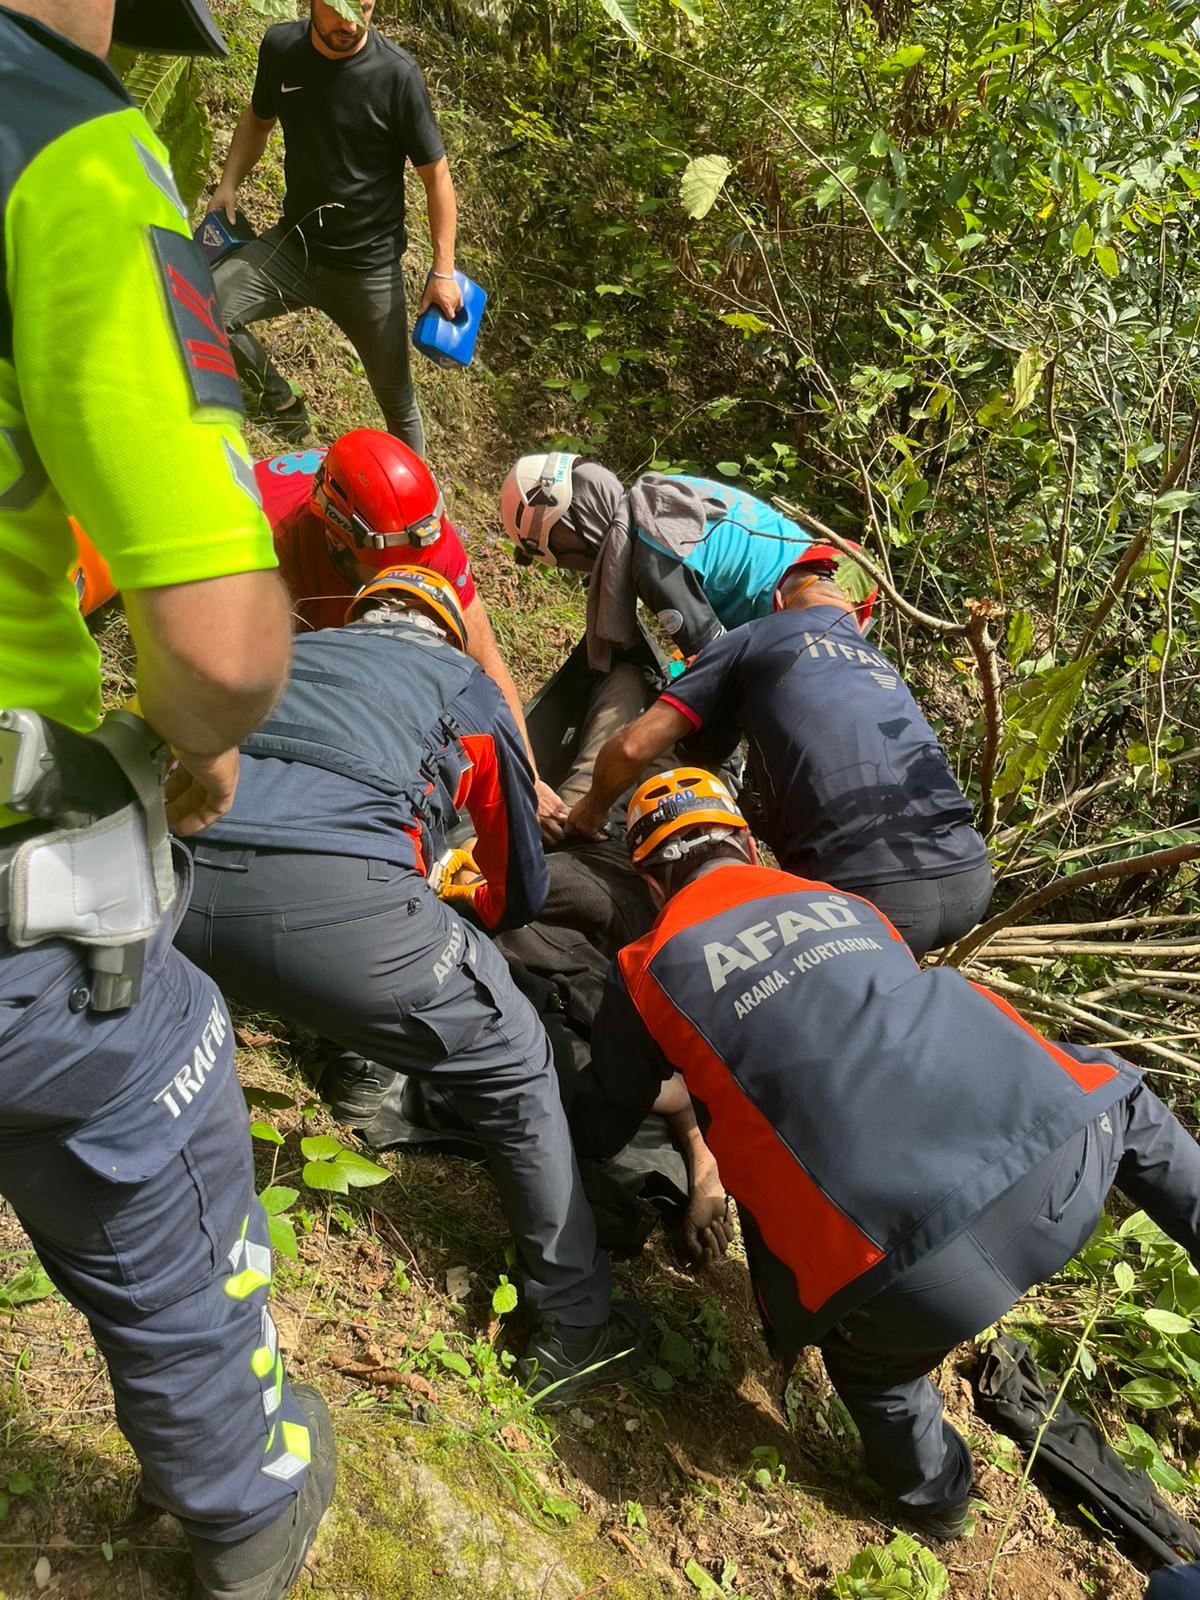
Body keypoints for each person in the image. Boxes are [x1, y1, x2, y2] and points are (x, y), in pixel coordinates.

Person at [1, 3, 336, 1596]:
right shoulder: (61, 143)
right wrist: (192, 744)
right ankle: (249, 1497)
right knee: (159, 1077)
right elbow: (214, 643)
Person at [572, 768, 1200, 1537]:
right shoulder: (843, 902)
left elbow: (607, 1114)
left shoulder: (647, 965)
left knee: (874, 1371)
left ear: (650, 879)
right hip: (1067, 1166)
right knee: (1123, 1094)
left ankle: (939, 1505)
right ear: (743, 841)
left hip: (907, 1290)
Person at [176, 568, 650, 1397]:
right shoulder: (467, 687)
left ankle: (358, 1066)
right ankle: (575, 1323)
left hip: (173, 881)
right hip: (341, 906)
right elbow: (516, 889)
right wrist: (456, 895)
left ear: (360, 615)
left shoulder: (288, 651)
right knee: (516, 1061)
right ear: (449, 631)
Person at [567, 545, 992, 957]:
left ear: (778, 600)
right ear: (861, 620)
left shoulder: (754, 637)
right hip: (971, 882)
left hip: (865, 894)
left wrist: (589, 811)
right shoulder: (883, 666)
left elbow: (632, 746)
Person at [257, 430, 570, 838]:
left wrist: (526, 778)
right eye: (388, 576)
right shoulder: (267, 552)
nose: (403, 589)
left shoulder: (423, 538)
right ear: (337, 539)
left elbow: (486, 659)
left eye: (416, 572)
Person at [207, 0, 460, 455]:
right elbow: (257, 120)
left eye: (362, 7)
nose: (349, 22)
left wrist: (442, 271)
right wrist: (229, 184)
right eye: (338, 7)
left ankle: (421, 514)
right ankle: (279, 402)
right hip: (294, 247)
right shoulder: (282, 47)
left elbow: (436, 177)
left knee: (398, 404)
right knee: (203, 307)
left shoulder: (397, 74)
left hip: (369, 271)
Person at [500, 452, 814, 669]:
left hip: (805, 611)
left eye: (558, 554)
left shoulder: (651, 559)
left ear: (569, 532)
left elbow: (717, 661)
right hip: (824, 571)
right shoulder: (655, 495)